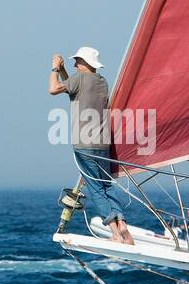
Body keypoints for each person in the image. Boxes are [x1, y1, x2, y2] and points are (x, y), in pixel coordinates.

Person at [49, 47, 134, 245]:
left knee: (96, 189)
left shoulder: (79, 80)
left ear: (84, 63)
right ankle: (122, 225)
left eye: (77, 61)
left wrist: (55, 69)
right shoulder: (102, 82)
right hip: (103, 144)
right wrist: (64, 72)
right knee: (107, 185)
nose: (74, 64)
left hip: (84, 144)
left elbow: (53, 89)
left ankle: (114, 233)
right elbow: (74, 86)